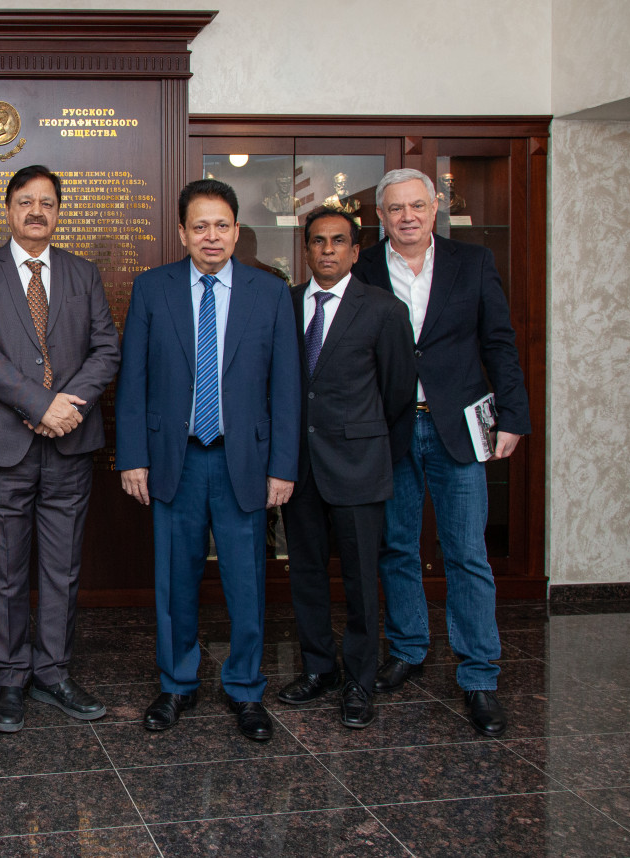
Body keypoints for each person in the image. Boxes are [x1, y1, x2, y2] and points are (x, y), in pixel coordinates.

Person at [116, 179, 299, 740]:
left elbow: (286, 385)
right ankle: (177, 684)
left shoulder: (269, 293)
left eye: (222, 225)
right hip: (178, 458)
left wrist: (283, 466)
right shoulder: (153, 289)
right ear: (182, 232)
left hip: (244, 459)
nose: (211, 236)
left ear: (237, 232)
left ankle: (246, 690)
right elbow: (134, 381)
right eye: (200, 226)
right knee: (175, 580)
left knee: (247, 581)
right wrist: (133, 458)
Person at [352, 168, 531, 737]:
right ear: (379, 217)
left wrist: (514, 417)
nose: (407, 216)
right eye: (395, 208)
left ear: (435, 208)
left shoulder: (471, 264)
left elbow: (499, 342)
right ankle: (408, 648)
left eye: (417, 206)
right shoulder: (364, 268)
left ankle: (479, 676)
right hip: (392, 428)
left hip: (460, 425)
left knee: (466, 553)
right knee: (396, 545)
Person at [0, 165, 120, 733]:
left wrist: (64, 405)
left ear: (58, 211)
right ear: (9, 209)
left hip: (70, 443)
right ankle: (8, 677)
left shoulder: (83, 273)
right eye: (25, 201)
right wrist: (38, 404)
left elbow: (106, 349)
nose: (36, 212)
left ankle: (52, 672)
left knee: (62, 566)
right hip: (4, 444)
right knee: (2, 566)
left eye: (47, 202)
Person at [277, 208, 416, 729]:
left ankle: (359, 681)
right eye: (318, 242)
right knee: (307, 575)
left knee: (360, 581)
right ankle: (319, 669)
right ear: (306, 250)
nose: (328, 250)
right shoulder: (286, 305)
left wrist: (373, 448)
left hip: (359, 467)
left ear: (356, 252)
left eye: (339, 241)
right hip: (299, 469)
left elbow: (398, 392)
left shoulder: (383, 310)